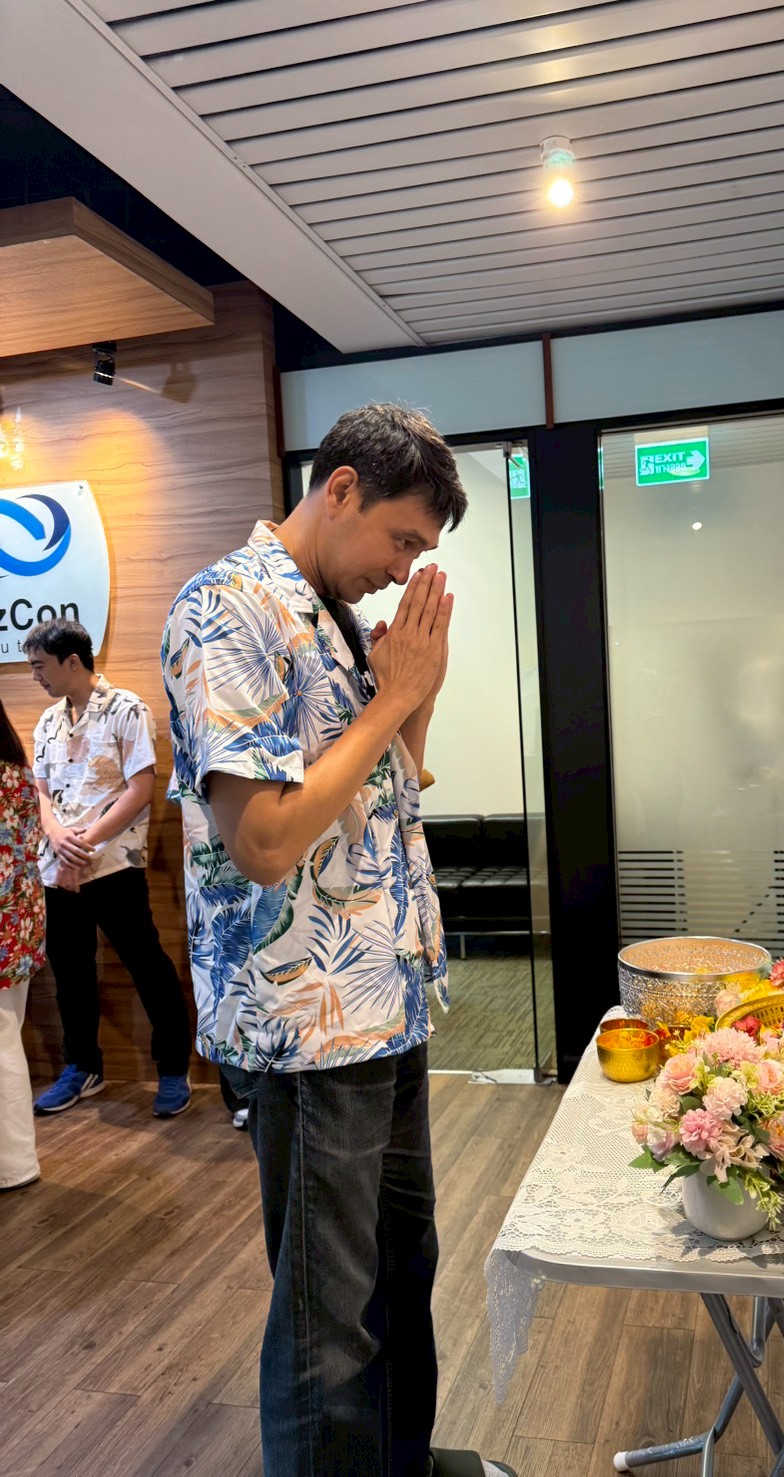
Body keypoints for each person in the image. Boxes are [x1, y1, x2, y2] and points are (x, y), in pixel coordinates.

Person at [162, 404, 516, 1477]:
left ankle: (402, 1463)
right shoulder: (226, 607)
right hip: (305, 1021)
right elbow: (266, 840)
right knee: (328, 1313)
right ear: (343, 488)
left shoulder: (334, 617)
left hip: (382, 996)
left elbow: (383, 785)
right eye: (401, 539)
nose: (402, 568)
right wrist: (392, 699)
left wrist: (415, 699)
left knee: (402, 1268)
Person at [25, 620, 193, 1116]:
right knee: (70, 974)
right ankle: (83, 1068)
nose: (35, 675)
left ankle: (173, 1069)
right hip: (58, 867)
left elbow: (140, 789)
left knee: (147, 966)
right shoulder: (48, 721)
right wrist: (57, 836)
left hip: (114, 864)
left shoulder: (128, 708)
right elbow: (40, 791)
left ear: (72, 661)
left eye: (40, 665)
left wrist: (85, 840)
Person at [0, 700, 46, 1190]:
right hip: (21, 915)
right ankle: (14, 1163)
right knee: (6, 1033)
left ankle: (12, 1165)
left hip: (6, 916)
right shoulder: (16, 767)